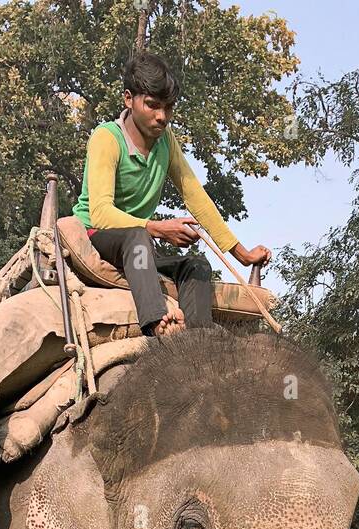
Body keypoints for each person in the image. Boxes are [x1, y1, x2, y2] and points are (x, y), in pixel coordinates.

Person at [72, 50, 272, 337]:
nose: (162, 116)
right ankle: (157, 322)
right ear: (129, 99)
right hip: (97, 239)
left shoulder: (166, 141)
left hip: (139, 251)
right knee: (138, 237)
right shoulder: (107, 138)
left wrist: (242, 254)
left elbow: (195, 196)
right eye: (152, 105)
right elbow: (100, 214)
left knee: (196, 263)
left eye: (168, 108)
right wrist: (158, 229)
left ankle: (197, 341)